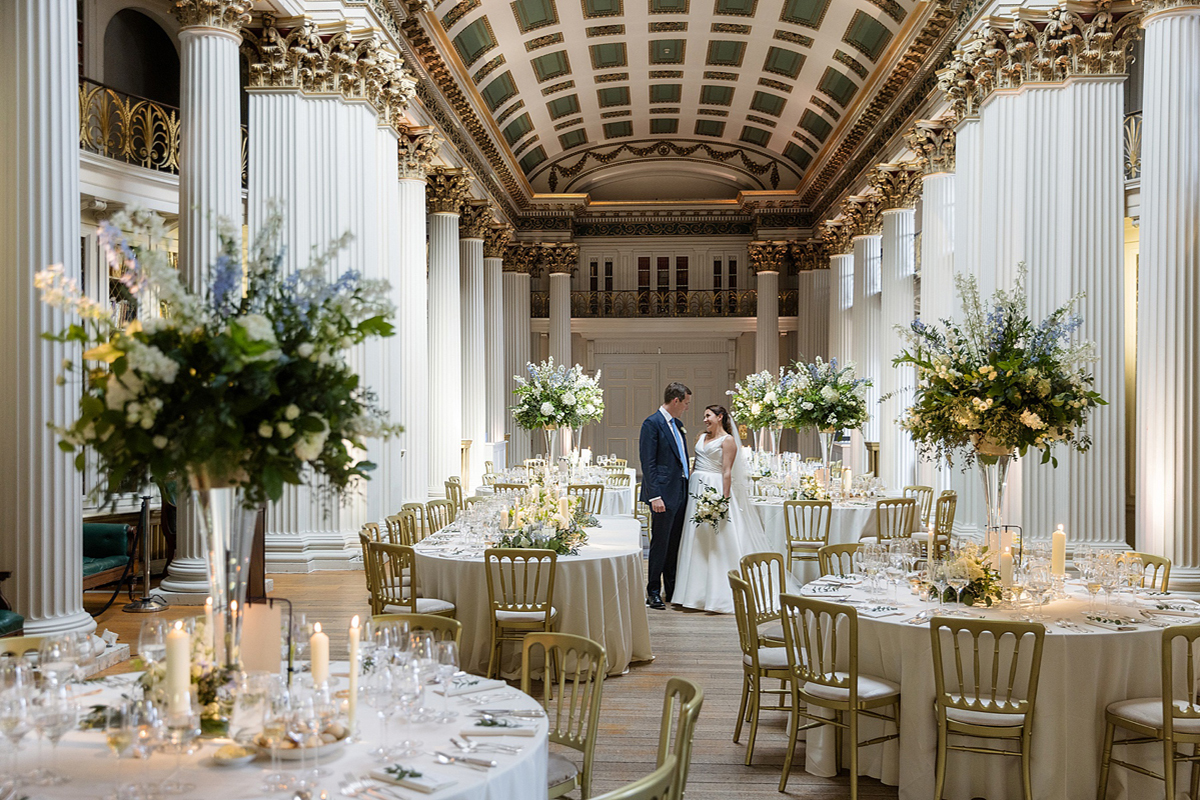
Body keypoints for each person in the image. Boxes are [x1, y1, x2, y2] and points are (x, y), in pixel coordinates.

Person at [673, 404, 777, 614]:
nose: (705, 420)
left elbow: (727, 471)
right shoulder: (701, 437)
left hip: (715, 488)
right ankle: (691, 594)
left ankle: (719, 594)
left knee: (717, 539)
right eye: (704, 416)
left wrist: (724, 499)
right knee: (696, 538)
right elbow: (694, 465)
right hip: (696, 488)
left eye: (708, 416)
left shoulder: (728, 440)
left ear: (720, 417)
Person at [639, 383, 692, 610]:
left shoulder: (677, 425)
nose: (687, 408)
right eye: (686, 403)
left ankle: (671, 590)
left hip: (680, 490)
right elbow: (648, 463)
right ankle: (653, 592)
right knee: (660, 544)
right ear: (676, 401)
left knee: (675, 543)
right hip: (662, 494)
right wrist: (655, 496)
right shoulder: (652, 423)